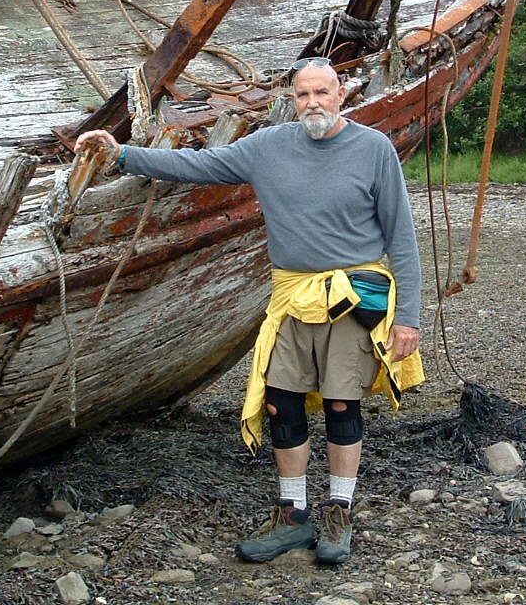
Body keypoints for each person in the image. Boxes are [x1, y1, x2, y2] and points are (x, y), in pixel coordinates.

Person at [75, 57, 423, 566]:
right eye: (303, 95)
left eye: (322, 93)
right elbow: (198, 166)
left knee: (341, 405)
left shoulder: (373, 150)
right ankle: (293, 515)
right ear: (292, 98)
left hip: (352, 299)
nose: (313, 104)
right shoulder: (268, 147)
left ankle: (339, 512)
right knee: (282, 404)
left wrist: (409, 317)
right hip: (290, 298)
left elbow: (402, 237)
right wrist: (123, 153)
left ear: (341, 95)